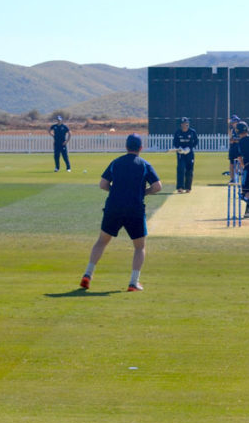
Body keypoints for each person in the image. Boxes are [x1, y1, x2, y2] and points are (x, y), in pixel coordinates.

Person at [80, 133, 162, 292]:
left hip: (114, 207)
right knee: (139, 247)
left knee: (102, 241)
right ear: (140, 148)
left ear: (126, 147)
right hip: (135, 209)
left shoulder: (116, 162)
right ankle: (133, 282)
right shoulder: (144, 164)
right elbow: (158, 186)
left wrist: (115, 191)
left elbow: (103, 184)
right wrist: (144, 192)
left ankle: (88, 274)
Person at [171, 116, 199, 193]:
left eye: (186, 124)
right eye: (183, 124)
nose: (185, 126)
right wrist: (179, 148)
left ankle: (188, 188)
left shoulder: (192, 132)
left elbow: (196, 141)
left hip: (189, 153)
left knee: (189, 170)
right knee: (181, 169)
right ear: (181, 125)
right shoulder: (178, 132)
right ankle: (180, 187)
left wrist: (190, 148)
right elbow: (175, 143)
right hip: (180, 154)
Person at [225, 114, 241, 180]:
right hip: (233, 149)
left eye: (235, 122)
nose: (234, 124)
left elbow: (241, 139)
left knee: (240, 163)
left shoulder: (241, 129)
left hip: (239, 149)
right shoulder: (231, 130)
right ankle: (232, 178)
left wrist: (235, 140)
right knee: (231, 164)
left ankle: (239, 176)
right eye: (233, 123)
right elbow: (231, 138)